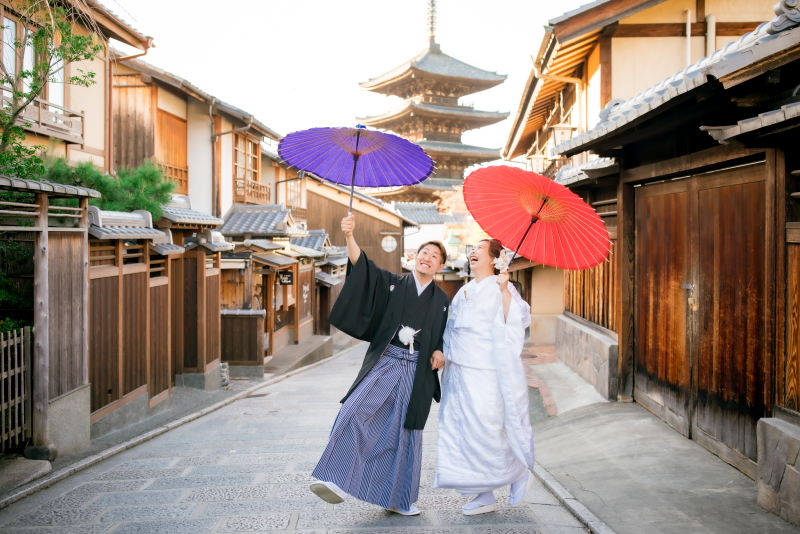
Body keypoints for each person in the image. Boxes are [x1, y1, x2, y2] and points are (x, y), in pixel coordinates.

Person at [310, 214, 450, 516]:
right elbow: (364, 268)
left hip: (416, 373)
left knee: (403, 435)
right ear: (414, 257)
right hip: (387, 363)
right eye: (423, 252)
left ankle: (399, 499)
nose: (427, 258)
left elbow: (445, 336)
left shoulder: (442, 300)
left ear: (440, 266)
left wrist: (440, 350)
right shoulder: (392, 284)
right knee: (354, 413)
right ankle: (336, 479)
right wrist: (348, 236)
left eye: (434, 256)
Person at [434, 238, 535, 515]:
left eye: (480, 248)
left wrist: (504, 292)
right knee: (464, 432)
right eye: (472, 249)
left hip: (485, 371)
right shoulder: (464, 290)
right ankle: (483, 493)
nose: (472, 251)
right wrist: (442, 353)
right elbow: (451, 329)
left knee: (486, 429)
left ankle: (518, 470)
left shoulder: (503, 286)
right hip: (459, 372)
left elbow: (517, 321)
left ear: (495, 258)